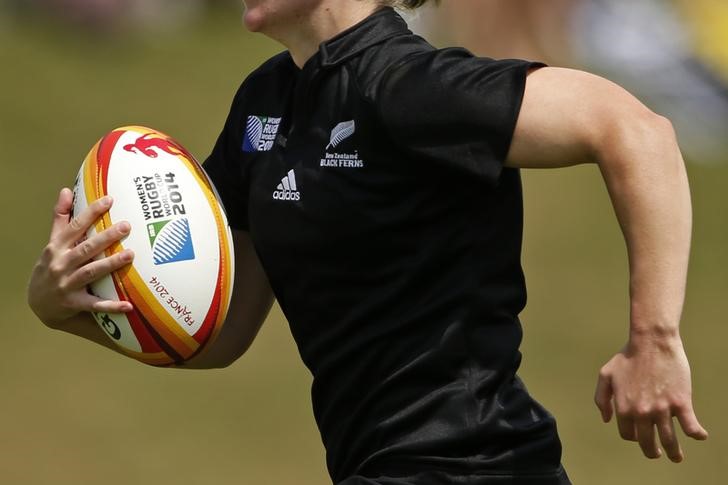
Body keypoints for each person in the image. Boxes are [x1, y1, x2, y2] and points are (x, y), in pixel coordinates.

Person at [27, 1, 709, 484]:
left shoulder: (413, 87)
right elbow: (220, 327)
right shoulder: (263, 106)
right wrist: (68, 308)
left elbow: (636, 131)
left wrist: (653, 338)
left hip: (479, 465)